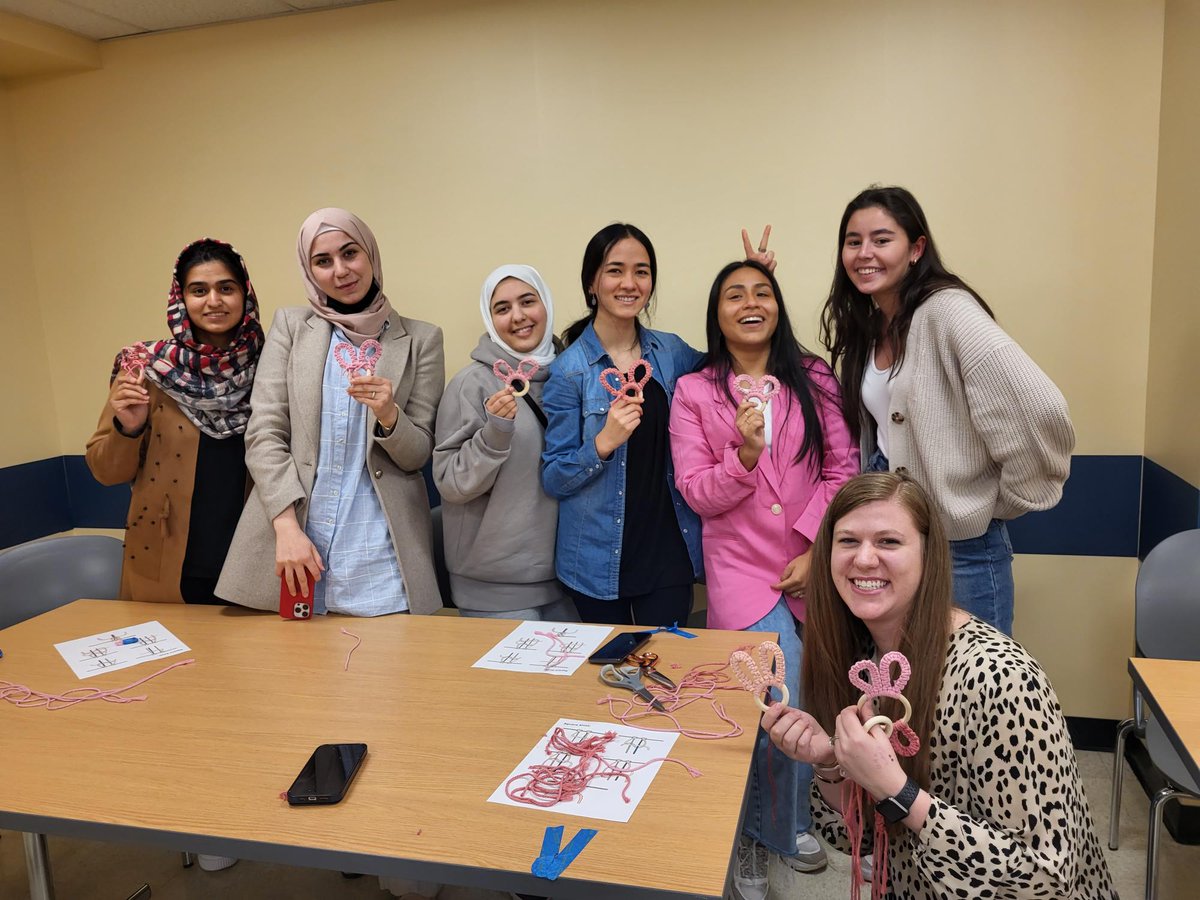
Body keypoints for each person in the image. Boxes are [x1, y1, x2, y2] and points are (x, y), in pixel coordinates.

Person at [761, 472, 1117, 899]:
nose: (865, 559)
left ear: (930, 556)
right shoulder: (866, 664)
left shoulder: (1000, 678)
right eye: (848, 541)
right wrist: (831, 763)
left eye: (889, 542)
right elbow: (864, 839)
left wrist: (897, 790)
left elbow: (1044, 878)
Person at [669, 259, 859, 898]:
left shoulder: (813, 377)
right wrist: (744, 454)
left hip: (812, 563)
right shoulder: (695, 391)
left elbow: (843, 466)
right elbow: (698, 492)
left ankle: (788, 818)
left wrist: (814, 544)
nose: (750, 303)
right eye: (733, 295)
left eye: (762, 293)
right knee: (777, 698)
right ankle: (754, 837)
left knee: (809, 699)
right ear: (716, 314)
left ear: (777, 306)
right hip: (742, 572)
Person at [819, 186, 1074, 635]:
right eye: (853, 241)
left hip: (963, 552)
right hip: (896, 546)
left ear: (916, 248)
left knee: (972, 687)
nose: (864, 253)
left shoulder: (948, 311)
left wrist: (988, 504)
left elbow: (1041, 408)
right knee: (905, 686)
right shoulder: (871, 326)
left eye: (882, 239)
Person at [217, 208, 444, 619]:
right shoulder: (291, 326)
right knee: (295, 677)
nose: (341, 271)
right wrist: (285, 527)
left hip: (382, 554)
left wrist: (390, 416)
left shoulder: (422, 339)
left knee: (389, 677)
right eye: (323, 261)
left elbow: (417, 455)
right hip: (297, 543)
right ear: (310, 269)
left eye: (350, 253)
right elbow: (264, 432)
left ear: (370, 255)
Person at [87, 238, 264, 606]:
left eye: (226, 288)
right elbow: (106, 472)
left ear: (244, 294)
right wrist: (127, 428)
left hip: (254, 557)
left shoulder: (273, 364)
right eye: (198, 290)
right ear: (180, 299)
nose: (213, 301)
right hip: (167, 558)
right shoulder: (144, 367)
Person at [541, 223, 703, 626]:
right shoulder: (570, 371)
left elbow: (733, 364)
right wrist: (602, 443)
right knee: (605, 678)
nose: (629, 283)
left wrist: (751, 288)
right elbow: (553, 477)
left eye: (641, 271)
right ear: (592, 282)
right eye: (615, 270)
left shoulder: (672, 352)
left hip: (669, 551)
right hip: (595, 560)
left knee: (667, 672)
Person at [433, 264, 576, 621]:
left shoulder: (573, 374)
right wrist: (495, 434)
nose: (518, 317)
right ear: (489, 317)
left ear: (546, 305)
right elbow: (451, 482)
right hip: (495, 589)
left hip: (569, 580)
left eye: (528, 301)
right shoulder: (472, 384)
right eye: (502, 308)